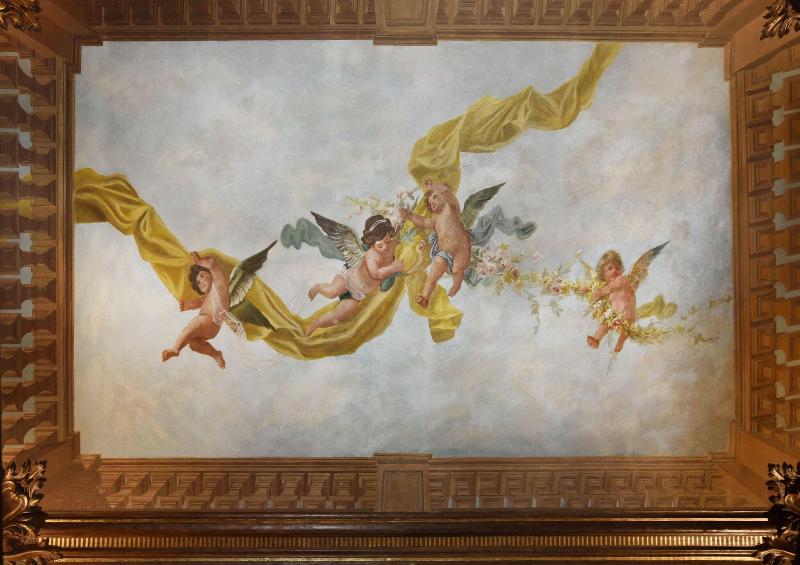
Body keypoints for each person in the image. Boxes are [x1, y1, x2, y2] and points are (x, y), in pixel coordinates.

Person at [305, 215, 404, 336]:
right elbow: (376, 274)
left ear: (390, 235)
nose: (385, 247)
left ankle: (317, 323)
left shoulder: (393, 244)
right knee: (332, 291)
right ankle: (318, 287)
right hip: (346, 279)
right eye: (380, 245)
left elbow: (403, 243)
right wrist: (393, 268)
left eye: (387, 241)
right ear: (372, 244)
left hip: (357, 295)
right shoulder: (371, 255)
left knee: (337, 317)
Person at [399, 179, 472, 309]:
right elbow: (422, 222)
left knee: (457, 269)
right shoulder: (435, 220)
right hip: (443, 253)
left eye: (435, 196)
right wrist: (410, 216)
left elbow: (446, 191)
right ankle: (425, 298)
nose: (431, 201)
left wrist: (432, 186)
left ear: (444, 196)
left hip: (461, 248)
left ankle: (456, 284)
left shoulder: (452, 208)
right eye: (429, 201)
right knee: (432, 276)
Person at [162, 251, 228, 368]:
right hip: (210, 327)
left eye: (202, 276)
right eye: (198, 282)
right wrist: (188, 305)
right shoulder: (206, 296)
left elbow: (212, 263)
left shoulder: (219, 284)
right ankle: (216, 354)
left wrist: (200, 261)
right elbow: (199, 302)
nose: (200, 282)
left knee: (191, 327)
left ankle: (175, 349)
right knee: (193, 343)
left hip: (209, 321)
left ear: (211, 274)